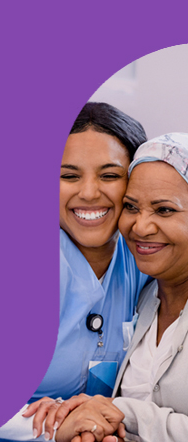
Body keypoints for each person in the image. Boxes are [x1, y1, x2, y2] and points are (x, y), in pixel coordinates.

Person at [0, 103, 149, 442]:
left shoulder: (144, 260)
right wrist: (56, 428)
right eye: (68, 176)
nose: (89, 193)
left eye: (109, 175)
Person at [41, 133, 188, 442]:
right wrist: (59, 419)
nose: (141, 227)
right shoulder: (148, 296)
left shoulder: (137, 274)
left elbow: (119, 414)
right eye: (132, 207)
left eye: (164, 210)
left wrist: (120, 413)